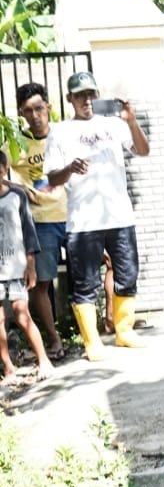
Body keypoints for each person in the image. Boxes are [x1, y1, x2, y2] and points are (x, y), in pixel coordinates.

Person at [45, 70, 150, 361]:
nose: (86, 100)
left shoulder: (113, 125)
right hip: (84, 221)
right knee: (85, 282)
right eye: (80, 95)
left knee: (127, 274)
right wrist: (69, 169)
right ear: (70, 99)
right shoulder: (60, 131)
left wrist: (131, 119)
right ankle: (92, 342)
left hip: (119, 216)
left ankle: (124, 331)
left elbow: (143, 150)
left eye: (90, 94)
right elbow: (52, 178)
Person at [10, 82, 67, 360]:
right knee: (42, 283)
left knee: (106, 263)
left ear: (49, 107)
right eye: (28, 111)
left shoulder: (64, 135)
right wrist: (17, 187)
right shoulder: (16, 144)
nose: (34, 116)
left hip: (77, 215)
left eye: (39, 108)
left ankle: (109, 322)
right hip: (42, 221)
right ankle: (55, 341)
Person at [0, 148, 54, 385]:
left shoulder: (16, 196)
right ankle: (9, 369)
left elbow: (29, 233)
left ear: (4, 170)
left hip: (15, 267)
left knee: (23, 315)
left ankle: (44, 360)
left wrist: (31, 266)